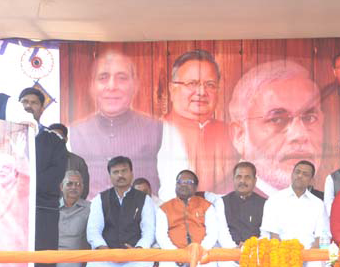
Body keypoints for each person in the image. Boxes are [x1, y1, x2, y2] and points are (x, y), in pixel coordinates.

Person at [68, 49, 163, 197]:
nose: (112, 86)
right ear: (92, 86)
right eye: (103, 78)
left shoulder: (158, 129)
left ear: (135, 85)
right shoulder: (74, 132)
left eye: (122, 78)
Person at [229, 60, 323, 196]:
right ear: (240, 135)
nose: (299, 135)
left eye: (309, 118)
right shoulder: (225, 202)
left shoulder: (324, 202)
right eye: (277, 120)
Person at [85, 156, 156, 267]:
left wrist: (138, 250)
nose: (120, 175)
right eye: (115, 172)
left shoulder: (144, 199)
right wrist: (104, 249)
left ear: (131, 173)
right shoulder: (100, 199)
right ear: (110, 176)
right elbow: (93, 230)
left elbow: (148, 231)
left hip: (134, 253)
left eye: (124, 171)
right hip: (107, 252)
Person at [161, 49, 237, 194]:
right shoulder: (155, 133)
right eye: (192, 84)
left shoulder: (232, 135)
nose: (202, 92)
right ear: (172, 89)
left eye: (210, 85)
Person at [33, 118, 69, 267]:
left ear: (40, 109)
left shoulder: (53, 141)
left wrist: (22, 178)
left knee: (45, 265)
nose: (28, 106)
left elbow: (53, 177)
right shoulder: (5, 134)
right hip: (9, 207)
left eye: (33, 103)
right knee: (9, 264)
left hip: (43, 211)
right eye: (24, 102)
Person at [216, 162, 266, 267]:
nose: (242, 181)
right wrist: (235, 249)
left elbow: (265, 232)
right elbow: (222, 231)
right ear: (233, 179)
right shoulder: (222, 202)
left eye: (247, 177)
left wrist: (250, 247)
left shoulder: (264, 203)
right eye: (239, 177)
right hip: (230, 254)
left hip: (254, 253)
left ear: (254, 180)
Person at [260, 160, 330, 253]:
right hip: (281, 255)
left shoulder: (318, 204)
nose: (300, 176)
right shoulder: (275, 200)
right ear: (292, 175)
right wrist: (285, 256)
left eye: (305, 174)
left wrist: (308, 257)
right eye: (297, 172)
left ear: (312, 180)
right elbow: (273, 235)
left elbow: (321, 236)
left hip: (310, 256)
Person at [56, 170, 90, 267]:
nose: (73, 187)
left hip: (73, 256)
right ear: (61, 187)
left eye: (78, 184)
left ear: (82, 188)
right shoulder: (50, 207)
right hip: (51, 254)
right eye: (69, 184)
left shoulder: (90, 208)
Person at [48, 123, 90, 198]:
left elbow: (84, 190)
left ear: (66, 139)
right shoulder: (41, 161)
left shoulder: (78, 162)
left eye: (59, 136)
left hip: (71, 208)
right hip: (46, 207)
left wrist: (71, 207)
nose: (55, 139)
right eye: (52, 137)